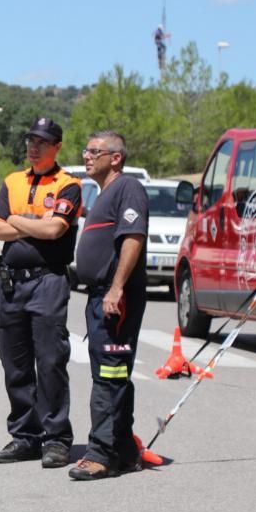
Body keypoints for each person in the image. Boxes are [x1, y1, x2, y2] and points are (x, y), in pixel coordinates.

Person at [0, 117, 82, 469]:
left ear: (57, 146)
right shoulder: (12, 181)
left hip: (48, 282)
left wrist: (15, 221)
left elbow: (55, 229)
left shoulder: (69, 184)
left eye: (42, 141)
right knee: (16, 363)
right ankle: (25, 436)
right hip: (12, 283)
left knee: (51, 361)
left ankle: (56, 439)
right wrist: (32, 225)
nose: (34, 146)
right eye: (30, 140)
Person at [69, 131, 149, 480]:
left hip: (117, 297)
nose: (87, 156)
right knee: (111, 374)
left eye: (94, 151)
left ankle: (101, 454)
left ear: (115, 157)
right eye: (86, 151)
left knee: (110, 375)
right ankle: (124, 451)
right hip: (101, 295)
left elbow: (133, 238)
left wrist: (116, 288)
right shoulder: (104, 193)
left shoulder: (128, 188)